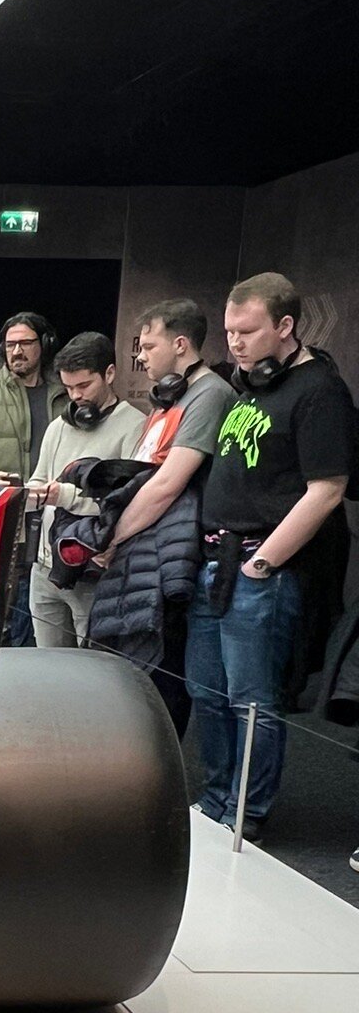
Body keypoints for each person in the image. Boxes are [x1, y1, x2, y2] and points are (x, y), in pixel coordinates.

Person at [185, 272, 355, 840]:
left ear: (285, 326)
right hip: (215, 561)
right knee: (206, 692)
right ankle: (216, 800)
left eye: (248, 331)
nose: (234, 342)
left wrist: (264, 565)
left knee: (250, 700)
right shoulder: (252, 385)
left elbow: (327, 490)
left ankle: (245, 814)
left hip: (261, 568)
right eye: (230, 330)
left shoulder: (319, 390)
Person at [97, 300, 236, 731]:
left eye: (148, 346)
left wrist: (111, 537)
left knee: (165, 679)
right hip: (147, 551)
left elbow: (167, 484)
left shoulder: (209, 394)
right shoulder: (169, 397)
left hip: (176, 556)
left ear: (180, 345)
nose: (140, 356)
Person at [26, 332, 143, 649]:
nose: (76, 396)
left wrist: (63, 496)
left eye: (84, 386)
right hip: (45, 566)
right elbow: (39, 479)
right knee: (47, 663)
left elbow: (127, 503)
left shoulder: (135, 426)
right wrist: (23, 492)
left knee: (92, 664)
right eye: (68, 388)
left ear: (109, 373)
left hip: (94, 571)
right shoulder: (59, 426)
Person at [0, 312, 65, 644]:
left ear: (44, 345)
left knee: (48, 614)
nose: (17, 351)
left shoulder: (66, 396)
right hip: (5, 518)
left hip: (56, 514)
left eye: (25, 343)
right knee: (3, 613)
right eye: (10, 345)